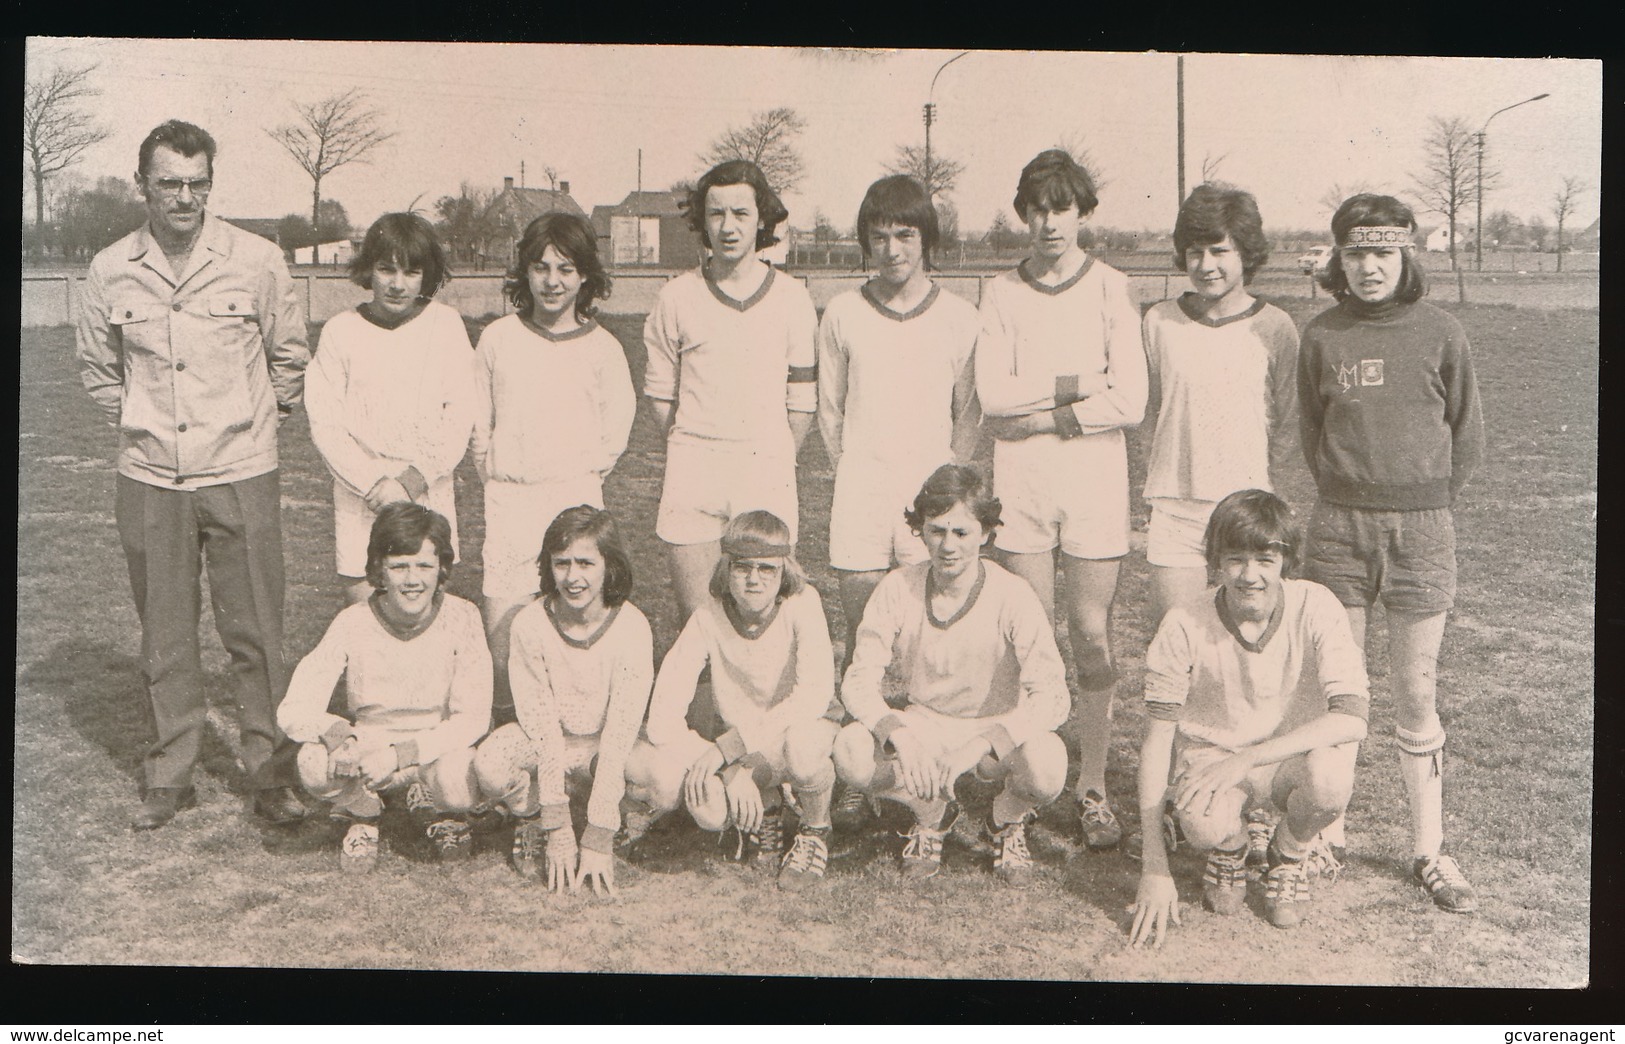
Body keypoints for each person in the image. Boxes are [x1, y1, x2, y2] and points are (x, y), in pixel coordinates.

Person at [75, 119, 310, 830]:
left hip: (241, 469)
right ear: (141, 184)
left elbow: (289, 359)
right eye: (169, 182)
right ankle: (170, 772)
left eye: (197, 183)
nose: (184, 197)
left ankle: (268, 772)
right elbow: (98, 371)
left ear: (212, 182)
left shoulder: (258, 259)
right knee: (166, 634)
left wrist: (245, 423)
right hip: (150, 476)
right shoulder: (110, 268)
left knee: (257, 632)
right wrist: (147, 420)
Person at [1298, 194, 1485, 914]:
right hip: (1338, 529)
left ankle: (1428, 851)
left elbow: (1466, 437)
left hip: (1421, 530)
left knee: (1414, 691)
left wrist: (1421, 500)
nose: (1368, 267)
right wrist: (1351, 492)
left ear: (1405, 256)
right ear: (1338, 260)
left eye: (1381, 252)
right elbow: (1312, 434)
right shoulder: (1322, 335)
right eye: (1354, 253)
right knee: (1340, 690)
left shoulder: (1442, 332)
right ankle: (1326, 835)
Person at [973, 148, 1147, 849]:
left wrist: (1045, 407)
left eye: (1061, 207)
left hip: (1094, 480)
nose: (1049, 222)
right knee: (1029, 639)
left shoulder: (1110, 287)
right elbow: (991, 397)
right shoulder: (999, 292)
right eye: (1037, 208)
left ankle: (1093, 784)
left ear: (1081, 213)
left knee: (1090, 633)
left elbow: (1129, 399)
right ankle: (1024, 791)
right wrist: (1080, 385)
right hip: (1022, 482)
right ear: (1023, 213)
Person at [1128, 490, 1369, 943]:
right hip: (1213, 758)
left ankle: (1289, 853)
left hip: (1282, 761)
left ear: (1285, 561)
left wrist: (1250, 757)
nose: (1250, 575)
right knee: (1200, 823)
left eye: (1265, 558)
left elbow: (1353, 718)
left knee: (1331, 777)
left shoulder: (1316, 605)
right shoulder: (1183, 622)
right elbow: (1157, 741)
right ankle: (1231, 847)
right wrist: (1155, 869)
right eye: (1234, 559)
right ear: (1215, 563)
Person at [834, 465, 1070, 885]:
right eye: (936, 530)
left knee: (1048, 764)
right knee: (851, 749)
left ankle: (1005, 819)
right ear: (920, 530)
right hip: (927, 724)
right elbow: (858, 679)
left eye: (961, 532)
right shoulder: (897, 587)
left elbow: (1052, 695)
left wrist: (985, 741)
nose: (948, 546)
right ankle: (931, 813)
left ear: (985, 533)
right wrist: (900, 735)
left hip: (995, 730)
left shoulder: (1012, 593)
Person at [472, 212, 634, 725]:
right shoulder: (498, 339)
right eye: (540, 268)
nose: (552, 281)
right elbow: (480, 430)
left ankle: (572, 735)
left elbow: (614, 434)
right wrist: (505, 477)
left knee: (573, 619)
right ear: (525, 272)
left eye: (565, 268)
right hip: (510, 500)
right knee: (506, 626)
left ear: (585, 275)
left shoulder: (604, 349)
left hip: (575, 500)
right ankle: (506, 738)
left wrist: (576, 481)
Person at [643, 160, 818, 623]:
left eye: (740, 213)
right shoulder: (676, 297)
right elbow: (660, 396)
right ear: (702, 220)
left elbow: (801, 403)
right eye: (716, 214)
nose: (728, 227)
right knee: (699, 623)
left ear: (762, 218)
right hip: (693, 471)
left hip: (765, 470)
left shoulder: (791, 297)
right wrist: (692, 446)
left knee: (762, 619)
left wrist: (774, 455)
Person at [627, 511, 840, 891]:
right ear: (726, 567)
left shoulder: (803, 603)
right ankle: (767, 805)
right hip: (744, 753)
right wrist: (726, 768)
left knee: (803, 748)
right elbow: (661, 716)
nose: (754, 579)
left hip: (796, 734)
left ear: (784, 569)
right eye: (742, 567)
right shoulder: (708, 616)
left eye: (766, 568)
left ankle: (815, 830)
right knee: (707, 808)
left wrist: (730, 747)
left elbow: (813, 696)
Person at [817, 174, 980, 670]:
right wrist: (857, 471)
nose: (892, 249)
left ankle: (928, 730)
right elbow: (830, 410)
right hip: (862, 487)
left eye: (905, 235)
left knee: (928, 624)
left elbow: (968, 413)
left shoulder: (959, 316)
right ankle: (858, 734)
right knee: (860, 625)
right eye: (880, 236)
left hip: (927, 487)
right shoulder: (842, 313)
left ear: (926, 238)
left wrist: (944, 485)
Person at [277, 503, 493, 874]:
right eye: (399, 567)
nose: (413, 580)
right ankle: (364, 811)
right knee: (311, 762)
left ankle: (440, 810)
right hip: (370, 748)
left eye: (424, 566)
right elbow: (294, 707)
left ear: (442, 568)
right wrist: (339, 735)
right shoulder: (353, 621)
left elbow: (472, 719)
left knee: (459, 781)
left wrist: (399, 755)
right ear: (379, 570)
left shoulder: (463, 616)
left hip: (434, 749)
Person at [473, 506, 654, 895]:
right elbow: (542, 728)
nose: (573, 577)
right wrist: (556, 827)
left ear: (610, 565)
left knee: (663, 778)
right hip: (547, 743)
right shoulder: (529, 623)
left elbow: (621, 733)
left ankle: (615, 815)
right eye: (561, 563)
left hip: (603, 746)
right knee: (489, 765)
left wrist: (598, 834)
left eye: (586, 563)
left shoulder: (633, 626)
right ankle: (531, 815)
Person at [1142, 184, 1298, 623]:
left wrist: (1270, 503)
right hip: (1176, 507)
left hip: (1246, 509)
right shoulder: (1158, 321)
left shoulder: (1276, 326)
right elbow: (1149, 412)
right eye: (1194, 252)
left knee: (1245, 643)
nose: (1206, 265)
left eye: (1219, 250)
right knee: (1174, 639)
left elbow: (1288, 423)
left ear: (1245, 252)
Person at [305, 212, 476, 606]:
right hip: (362, 498)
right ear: (368, 270)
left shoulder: (446, 326)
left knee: (423, 617)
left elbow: (459, 416)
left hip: (427, 494)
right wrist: (373, 484)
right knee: (367, 623)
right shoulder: (340, 331)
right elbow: (325, 424)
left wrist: (413, 481)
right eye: (386, 269)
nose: (398, 285)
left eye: (412, 272)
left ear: (427, 275)